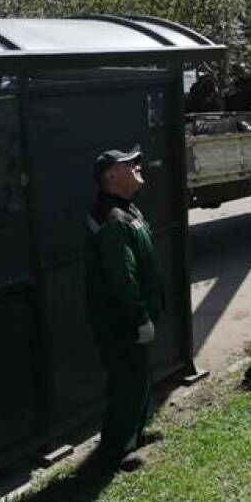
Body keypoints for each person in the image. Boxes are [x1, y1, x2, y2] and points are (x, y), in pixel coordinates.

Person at [85, 147, 165, 471]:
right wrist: (139, 317)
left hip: (130, 318)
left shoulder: (125, 208)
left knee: (138, 376)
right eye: (129, 163)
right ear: (111, 177)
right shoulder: (113, 219)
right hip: (121, 321)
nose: (137, 165)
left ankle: (134, 433)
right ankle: (116, 451)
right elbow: (122, 275)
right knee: (126, 383)